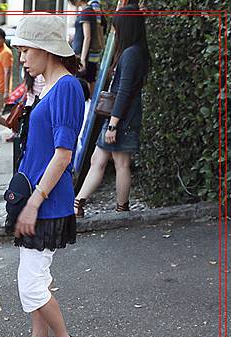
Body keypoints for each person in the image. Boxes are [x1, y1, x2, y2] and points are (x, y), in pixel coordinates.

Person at [2, 14, 85, 337]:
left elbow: (63, 154)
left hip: (45, 201)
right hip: (35, 200)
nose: (20, 57)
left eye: (24, 49)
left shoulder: (66, 87)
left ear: (46, 49)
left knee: (32, 283)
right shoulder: (49, 86)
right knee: (31, 276)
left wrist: (34, 202)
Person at [74, 6, 151, 217]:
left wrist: (113, 124)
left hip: (121, 119)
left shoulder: (131, 54)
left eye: (117, 26)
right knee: (98, 160)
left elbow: (124, 92)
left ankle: (120, 208)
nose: (115, 31)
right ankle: (78, 203)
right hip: (120, 116)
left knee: (120, 163)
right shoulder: (134, 52)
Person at [69, 0, 105, 94]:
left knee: (81, 86)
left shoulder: (86, 12)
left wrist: (82, 59)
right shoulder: (89, 11)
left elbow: (87, 36)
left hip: (83, 54)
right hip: (86, 54)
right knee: (90, 82)